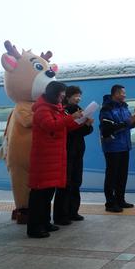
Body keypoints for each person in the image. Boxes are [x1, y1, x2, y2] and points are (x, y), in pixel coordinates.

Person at [27, 81, 84, 238]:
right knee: (39, 194)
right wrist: (70, 118)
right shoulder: (42, 110)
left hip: (54, 157)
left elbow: (63, 126)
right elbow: (50, 125)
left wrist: (79, 121)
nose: (63, 96)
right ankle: (34, 227)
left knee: (48, 193)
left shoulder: (57, 109)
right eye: (62, 93)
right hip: (44, 158)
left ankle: (45, 222)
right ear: (54, 93)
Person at [53, 86, 94, 225]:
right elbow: (67, 131)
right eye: (76, 95)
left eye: (80, 96)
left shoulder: (79, 110)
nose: (79, 98)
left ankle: (73, 211)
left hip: (78, 151)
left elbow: (82, 132)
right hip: (66, 151)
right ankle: (61, 215)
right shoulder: (63, 111)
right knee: (65, 184)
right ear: (68, 96)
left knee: (76, 182)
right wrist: (78, 123)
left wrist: (88, 125)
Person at [99, 85, 135, 213]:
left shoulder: (124, 107)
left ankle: (120, 200)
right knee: (112, 175)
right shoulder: (107, 108)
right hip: (112, 147)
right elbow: (107, 129)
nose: (124, 95)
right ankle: (110, 203)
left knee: (122, 175)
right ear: (115, 94)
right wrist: (128, 122)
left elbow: (126, 126)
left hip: (124, 146)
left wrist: (134, 122)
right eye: (122, 93)